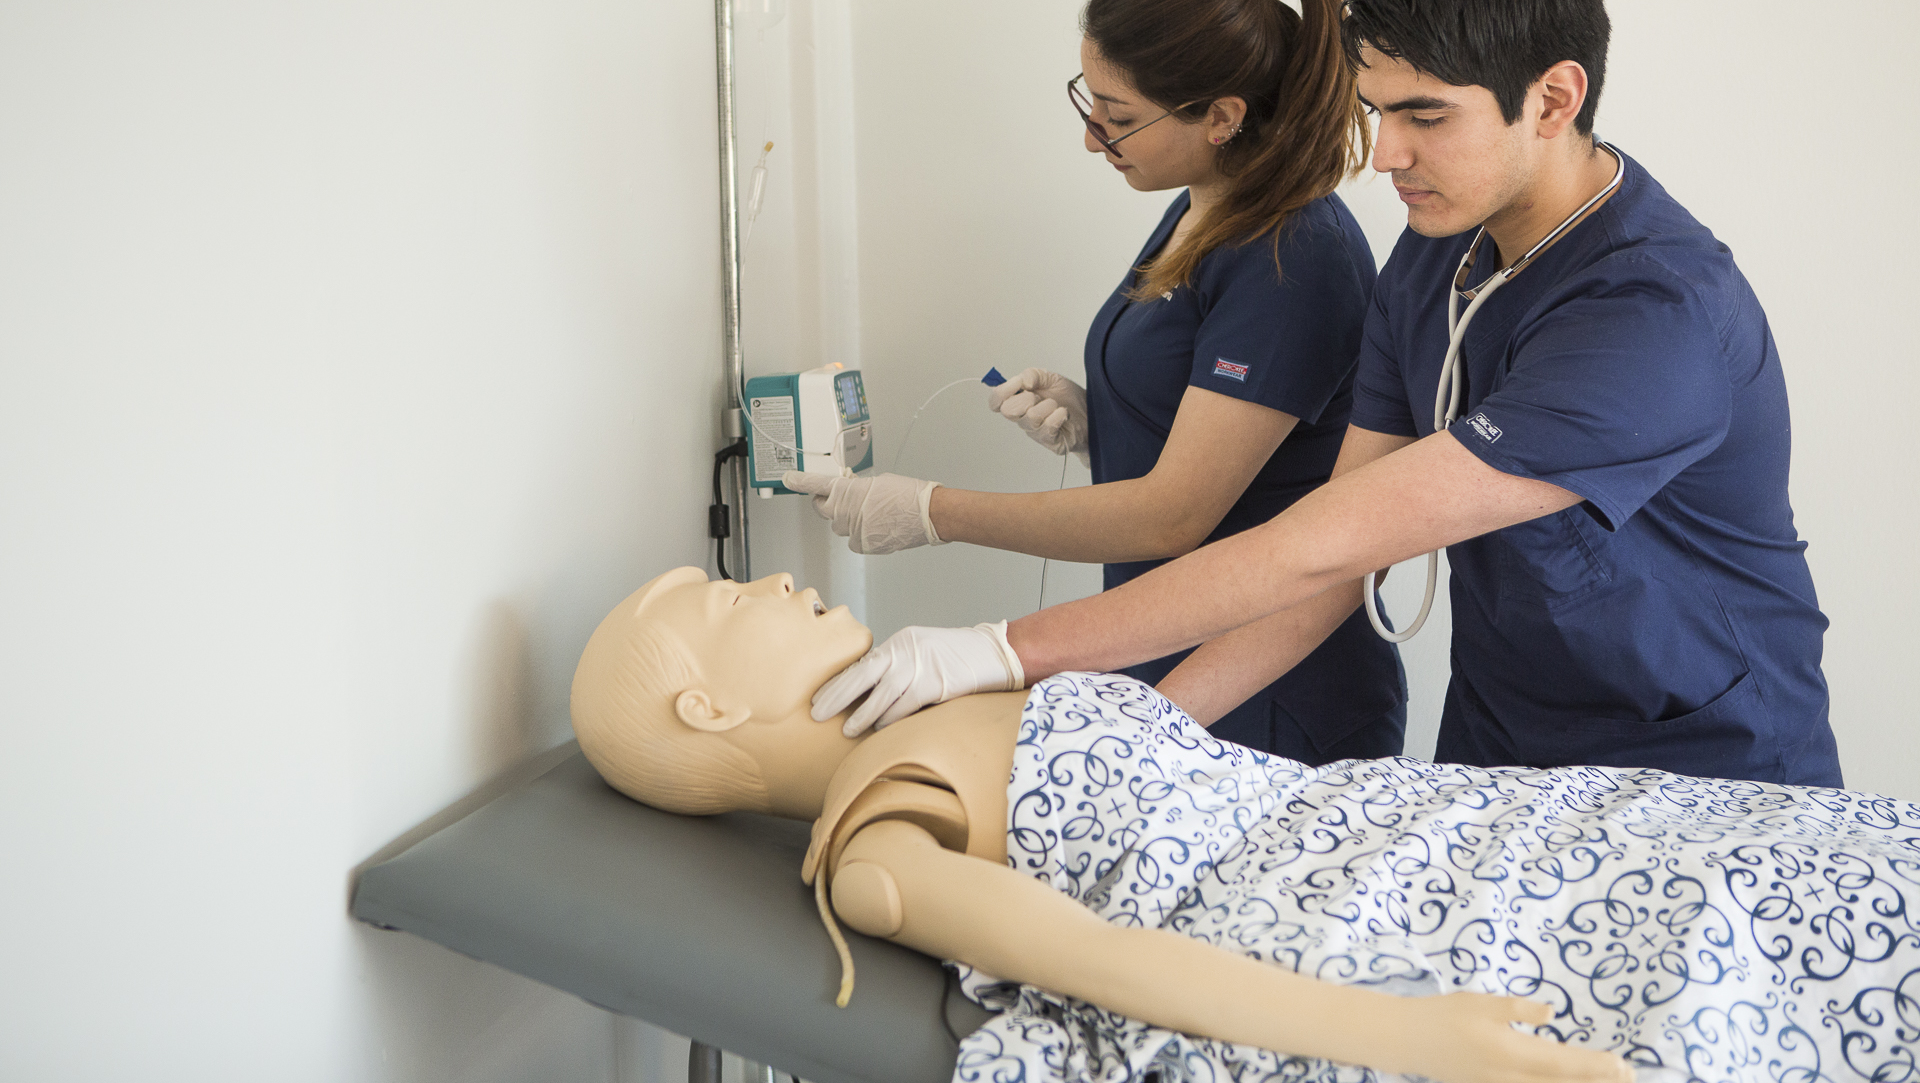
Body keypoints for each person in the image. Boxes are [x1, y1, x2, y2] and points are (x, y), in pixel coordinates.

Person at [812, 0, 1839, 789]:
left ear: (1555, 98)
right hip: (1504, 745)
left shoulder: (1656, 316)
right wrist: (1155, 734)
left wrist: (1002, 650)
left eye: (1425, 116)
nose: (1386, 155)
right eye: (1377, 111)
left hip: (1699, 766)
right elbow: (1331, 560)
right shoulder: (1436, 263)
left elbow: (1323, 542)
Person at [571, 568, 1920, 1083]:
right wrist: (1417, 1036)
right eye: (733, 595)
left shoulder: (945, 700)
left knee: (1790, 857)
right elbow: (1127, 971)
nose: (785, 574)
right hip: (1346, 925)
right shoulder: (881, 849)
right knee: (1757, 940)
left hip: (1401, 823)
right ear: (704, 707)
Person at [784, 0, 1404, 764]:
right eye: (1089, 102)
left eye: (1118, 117)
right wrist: (1102, 421)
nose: (1092, 138)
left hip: (1269, 700)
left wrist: (933, 511)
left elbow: (1175, 514)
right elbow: (1217, 428)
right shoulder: (1203, 205)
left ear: (1222, 117)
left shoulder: (1295, 255)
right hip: (1156, 659)